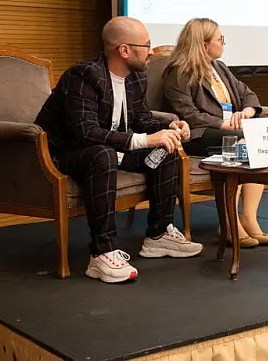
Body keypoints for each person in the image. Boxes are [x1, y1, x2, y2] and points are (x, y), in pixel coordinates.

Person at [34, 17, 203, 284]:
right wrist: (144, 140)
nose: (151, 52)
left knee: (166, 150)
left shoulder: (136, 77)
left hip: (111, 150)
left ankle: (158, 235)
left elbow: (142, 120)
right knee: (102, 154)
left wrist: (169, 127)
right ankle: (102, 252)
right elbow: (85, 133)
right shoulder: (83, 76)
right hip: (65, 154)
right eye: (146, 45)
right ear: (124, 50)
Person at [162, 18, 268, 248]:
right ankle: (229, 222)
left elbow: (247, 94)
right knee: (241, 142)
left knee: (255, 138)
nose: (223, 43)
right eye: (220, 39)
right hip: (198, 134)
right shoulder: (178, 72)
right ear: (204, 44)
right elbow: (188, 114)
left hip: (230, 129)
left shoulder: (219, 67)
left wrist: (248, 111)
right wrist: (223, 124)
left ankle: (248, 217)